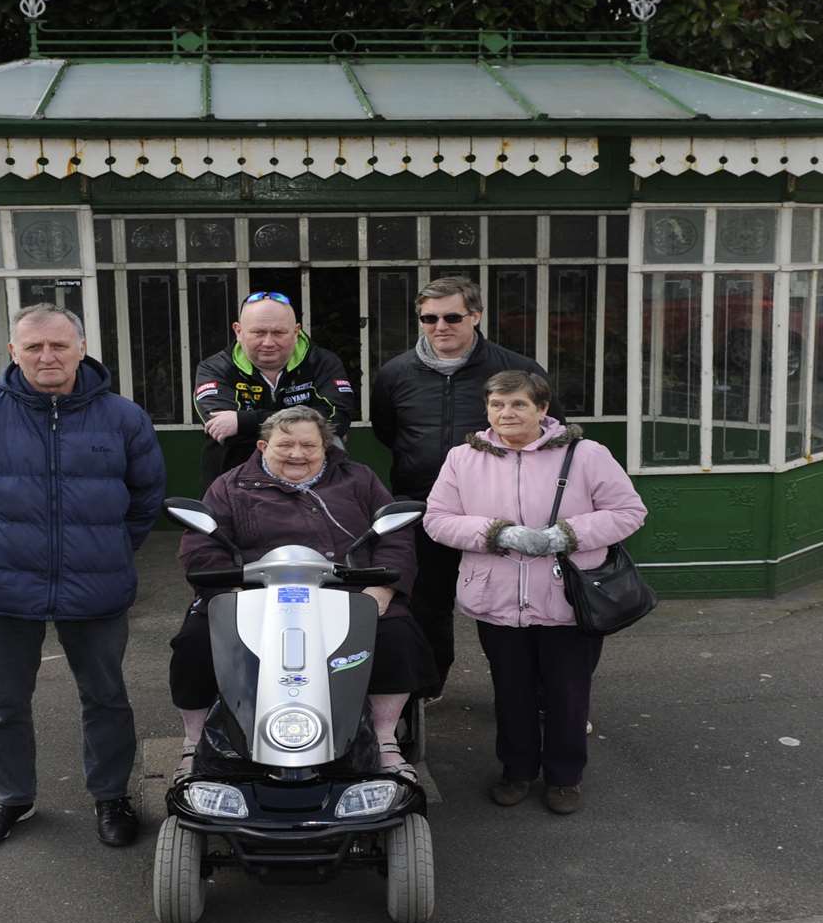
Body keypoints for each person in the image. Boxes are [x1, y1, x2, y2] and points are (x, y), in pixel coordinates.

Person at [0, 303, 166, 850]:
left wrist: (105, 551)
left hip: (96, 586)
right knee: (3, 703)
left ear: (81, 348)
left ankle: (111, 796)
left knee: (106, 697)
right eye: (33, 347)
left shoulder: (124, 418)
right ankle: (12, 798)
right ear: (13, 352)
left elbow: (145, 499)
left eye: (59, 345)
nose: (46, 356)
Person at [423, 370, 645, 814]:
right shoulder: (462, 459)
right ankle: (517, 770)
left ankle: (565, 777)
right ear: (487, 409)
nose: (507, 413)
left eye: (519, 404)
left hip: (567, 598)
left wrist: (566, 535)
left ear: (542, 410)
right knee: (511, 690)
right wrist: (497, 533)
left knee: (567, 691)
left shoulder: (587, 455)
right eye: (497, 405)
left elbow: (629, 511)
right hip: (498, 600)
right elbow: (437, 519)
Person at [173, 405, 435, 780]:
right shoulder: (230, 486)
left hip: (347, 590)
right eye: (286, 445)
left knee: (396, 635)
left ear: (326, 448)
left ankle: (383, 738)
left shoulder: (358, 479)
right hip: (251, 592)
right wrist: (226, 590)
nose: (298, 454)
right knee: (195, 642)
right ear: (263, 446)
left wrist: (382, 588)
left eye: (309, 446)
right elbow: (200, 543)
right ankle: (195, 742)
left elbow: (394, 533)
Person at [370, 276, 550, 698]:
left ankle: (529, 693)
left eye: (452, 316)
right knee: (426, 603)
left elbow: (546, 431)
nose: (440, 327)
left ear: (476, 315)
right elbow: (387, 431)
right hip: (423, 508)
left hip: (502, 512)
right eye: (428, 319)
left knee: (512, 605)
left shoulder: (516, 371)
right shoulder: (395, 374)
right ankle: (428, 689)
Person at [192, 290, 356, 489]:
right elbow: (222, 430)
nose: (268, 343)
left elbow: (337, 420)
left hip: (315, 486)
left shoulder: (322, 362)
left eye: (278, 333)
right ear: (238, 331)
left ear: (296, 332)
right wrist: (310, 426)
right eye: (258, 333)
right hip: (234, 485)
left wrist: (244, 421)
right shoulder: (214, 368)